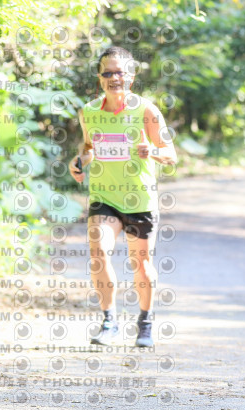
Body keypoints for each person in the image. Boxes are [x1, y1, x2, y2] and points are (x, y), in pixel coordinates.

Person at [69, 46, 177, 347]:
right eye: (107, 72)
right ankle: (109, 321)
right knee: (99, 253)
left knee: (140, 265)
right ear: (99, 77)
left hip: (139, 200)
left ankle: (145, 322)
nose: (114, 78)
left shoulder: (146, 111)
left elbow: (171, 154)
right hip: (104, 198)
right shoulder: (89, 112)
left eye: (120, 72)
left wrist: (152, 151)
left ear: (131, 75)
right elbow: (88, 148)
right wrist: (79, 162)